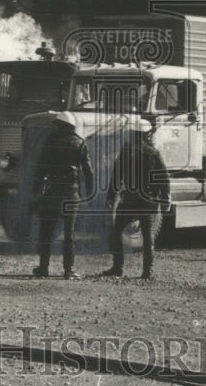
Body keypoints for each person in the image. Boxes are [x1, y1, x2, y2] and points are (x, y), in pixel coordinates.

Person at [103, 120, 171, 280]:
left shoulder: (127, 151)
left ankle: (117, 268)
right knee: (148, 237)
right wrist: (165, 197)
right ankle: (148, 272)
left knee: (117, 231)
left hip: (130, 200)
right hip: (149, 200)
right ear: (147, 134)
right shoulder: (153, 152)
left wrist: (112, 196)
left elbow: (116, 176)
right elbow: (164, 178)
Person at [32, 111, 94, 280]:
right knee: (69, 234)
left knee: (46, 232)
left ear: (60, 125)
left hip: (52, 192)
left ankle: (43, 268)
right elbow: (89, 172)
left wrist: (35, 191)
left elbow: (40, 168)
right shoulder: (80, 143)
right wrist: (89, 195)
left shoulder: (50, 141)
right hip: (71, 193)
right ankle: (69, 270)